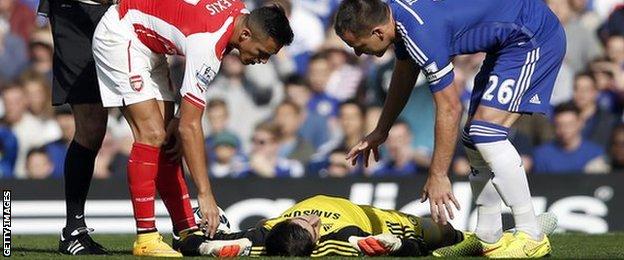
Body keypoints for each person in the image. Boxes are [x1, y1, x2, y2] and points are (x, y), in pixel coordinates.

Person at [335, 0, 565, 257]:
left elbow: (450, 109)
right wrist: (382, 129)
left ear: (378, 32)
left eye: (357, 46)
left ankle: (530, 234)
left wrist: (438, 175)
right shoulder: (395, 18)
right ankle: (488, 236)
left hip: (532, 35)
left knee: (486, 134)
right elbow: (404, 72)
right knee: (473, 137)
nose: (357, 54)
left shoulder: (421, 33)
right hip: (507, 41)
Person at [91, 0, 293, 256]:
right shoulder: (208, 41)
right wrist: (205, 194)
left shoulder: (237, 15)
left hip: (149, 41)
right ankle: (146, 238)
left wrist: (178, 119)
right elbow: (190, 126)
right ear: (245, 34)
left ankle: (186, 229)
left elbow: (184, 122)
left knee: (168, 140)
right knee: (152, 134)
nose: (262, 60)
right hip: (121, 35)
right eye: (263, 52)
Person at [196, 195, 557, 257]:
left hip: (366, 210)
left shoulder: (270, 231)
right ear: (317, 238)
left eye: (305, 219)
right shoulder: (338, 238)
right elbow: (361, 244)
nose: (314, 219)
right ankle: (522, 233)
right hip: (390, 221)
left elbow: (242, 240)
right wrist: (398, 246)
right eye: (313, 225)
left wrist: (204, 244)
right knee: (445, 235)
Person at [37, 0, 115, 254]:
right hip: (73, 9)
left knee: (153, 121)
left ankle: (179, 227)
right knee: (91, 127)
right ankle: (73, 229)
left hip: (118, 10)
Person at [532, 103, 608, 174]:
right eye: (559, 125)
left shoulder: (595, 153)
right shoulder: (541, 155)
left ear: (580, 123)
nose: (564, 129)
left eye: (569, 124)